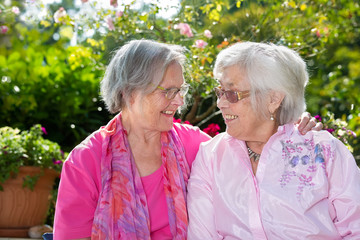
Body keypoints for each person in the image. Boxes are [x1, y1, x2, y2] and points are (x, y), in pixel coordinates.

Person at [53, 39, 321, 240]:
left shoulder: (194, 145)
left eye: (180, 90)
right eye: (168, 91)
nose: (179, 101)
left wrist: (290, 123)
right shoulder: (86, 160)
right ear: (129, 92)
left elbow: (252, 142)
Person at [187, 41, 360, 239]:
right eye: (220, 91)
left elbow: (355, 228)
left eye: (232, 94)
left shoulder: (324, 151)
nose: (220, 103)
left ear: (273, 100)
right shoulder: (211, 156)